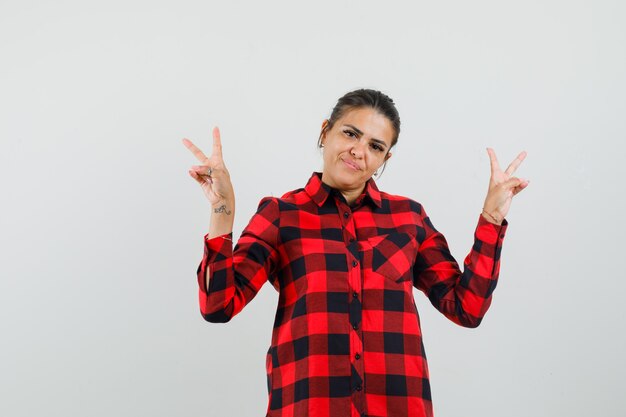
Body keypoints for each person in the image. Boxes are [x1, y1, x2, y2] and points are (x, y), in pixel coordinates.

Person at [182, 89, 529, 417]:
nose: (359, 151)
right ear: (326, 131)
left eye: (375, 146)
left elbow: (466, 308)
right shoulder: (280, 214)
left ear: (384, 158)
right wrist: (222, 209)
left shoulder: (409, 218)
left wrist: (492, 219)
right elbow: (218, 306)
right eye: (350, 133)